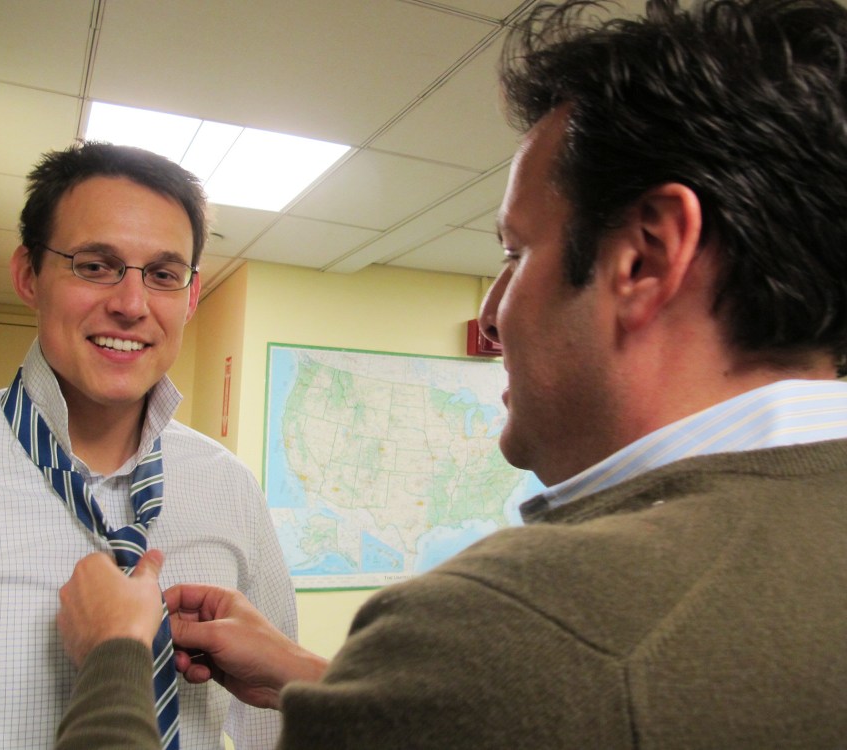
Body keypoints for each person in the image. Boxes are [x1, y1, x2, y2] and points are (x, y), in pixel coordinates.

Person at [55, 0, 847, 746]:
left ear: (646, 257)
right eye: (96, 266)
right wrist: (323, 682)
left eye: (514, 251)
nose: (493, 313)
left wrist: (115, 659)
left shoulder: (508, 630)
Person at [0, 142, 297, 749]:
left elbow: (273, 729)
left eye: (163, 275)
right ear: (29, 275)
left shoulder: (231, 488)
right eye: (95, 265)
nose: (131, 305)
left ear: (190, 298)